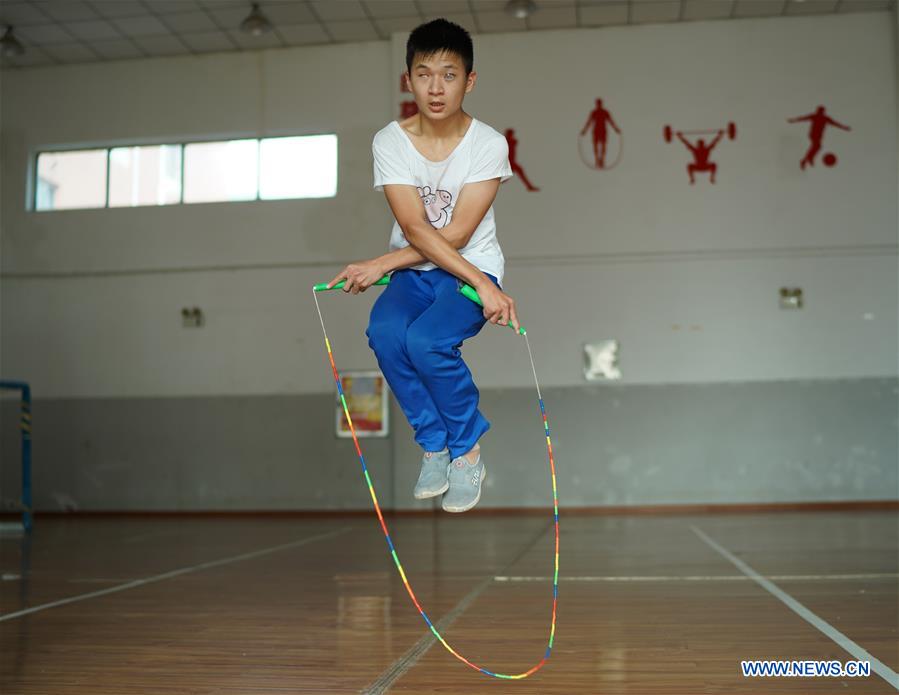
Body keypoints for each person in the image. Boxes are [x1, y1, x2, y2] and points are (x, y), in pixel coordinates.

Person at [327, 19, 518, 513]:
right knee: (387, 333)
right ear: (407, 78)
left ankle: (467, 451)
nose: (436, 87)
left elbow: (455, 234)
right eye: (424, 73)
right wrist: (387, 267)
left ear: (469, 81)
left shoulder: (489, 144)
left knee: (427, 341)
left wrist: (483, 286)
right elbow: (415, 227)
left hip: (471, 269)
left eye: (449, 74)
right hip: (414, 273)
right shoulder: (390, 141)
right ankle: (434, 443)